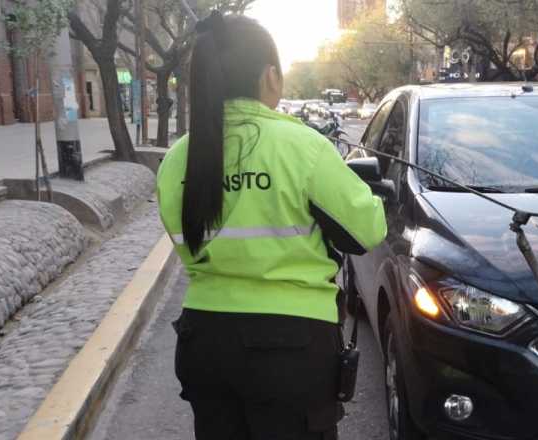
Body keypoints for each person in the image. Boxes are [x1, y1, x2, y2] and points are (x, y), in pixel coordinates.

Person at [155, 12, 386, 440]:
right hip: (291, 346)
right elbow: (367, 232)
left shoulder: (177, 160)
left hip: (204, 341)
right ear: (270, 77)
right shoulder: (303, 147)